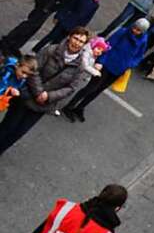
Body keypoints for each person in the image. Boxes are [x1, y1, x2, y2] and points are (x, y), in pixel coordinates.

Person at [0, 28, 92, 156]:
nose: (77, 43)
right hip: (27, 95)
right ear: (69, 37)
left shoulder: (80, 66)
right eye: (76, 38)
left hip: (45, 104)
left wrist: (49, 96)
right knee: (7, 127)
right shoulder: (51, 50)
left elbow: (71, 88)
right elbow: (33, 70)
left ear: (84, 45)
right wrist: (39, 92)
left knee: (18, 132)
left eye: (81, 41)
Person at [64, 20, 150, 123]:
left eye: (138, 30)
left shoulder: (143, 40)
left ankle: (80, 107)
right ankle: (69, 106)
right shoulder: (123, 32)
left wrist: (130, 64)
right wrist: (100, 61)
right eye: (135, 28)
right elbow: (107, 46)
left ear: (143, 31)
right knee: (91, 88)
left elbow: (139, 56)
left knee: (98, 91)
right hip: (106, 65)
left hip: (119, 69)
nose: (135, 31)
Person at [0, 0, 99, 55]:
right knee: (31, 24)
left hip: (48, 2)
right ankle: (8, 41)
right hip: (47, 2)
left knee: (34, 26)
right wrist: (48, 7)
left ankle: (15, 45)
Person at [33, 0, 107, 52]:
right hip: (64, 20)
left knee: (58, 41)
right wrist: (58, 15)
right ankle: (35, 50)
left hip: (74, 26)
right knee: (51, 36)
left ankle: (47, 54)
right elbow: (67, 5)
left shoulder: (95, 5)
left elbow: (87, 18)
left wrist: (80, 29)